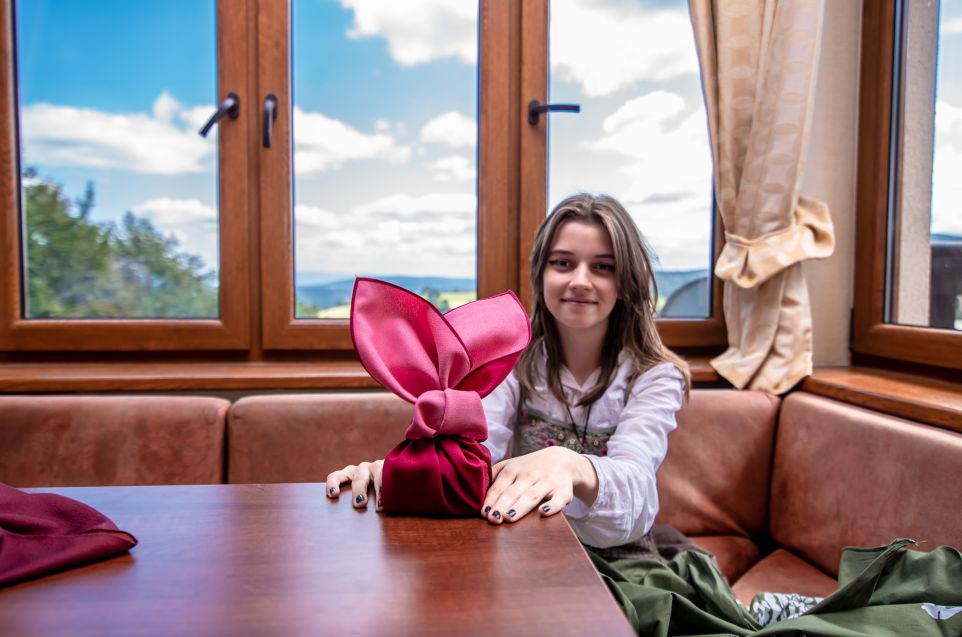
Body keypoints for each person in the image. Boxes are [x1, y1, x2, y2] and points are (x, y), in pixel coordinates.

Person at [326, 193, 690, 551]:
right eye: (563, 263)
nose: (580, 280)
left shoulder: (655, 376)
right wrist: (405, 472)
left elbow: (638, 488)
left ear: (625, 282)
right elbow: (478, 449)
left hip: (621, 562)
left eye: (603, 267)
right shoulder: (511, 363)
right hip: (529, 551)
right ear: (540, 274)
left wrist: (572, 466)